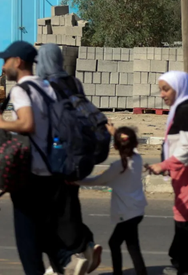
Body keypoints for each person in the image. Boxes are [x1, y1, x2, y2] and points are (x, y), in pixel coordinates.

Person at [0, 41, 87, 275]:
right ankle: (67, 257)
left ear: (18, 62)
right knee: (45, 232)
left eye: (6, 60)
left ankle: (66, 258)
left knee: (28, 246)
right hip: (53, 172)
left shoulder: (21, 90)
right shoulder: (48, 87)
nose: (4, 65)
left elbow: (27, 123)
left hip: (30, 175)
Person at [36, 43, 102, 275]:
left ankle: (67, 259)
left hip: (54, 158)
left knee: (50, 214)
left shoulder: (44, 86)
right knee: (70, 205)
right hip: (77, 157)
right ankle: (85, 247)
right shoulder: (74, 82)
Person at [147, 71, 188, 275]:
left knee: (186, 222)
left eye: (166, 89)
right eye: (160, 89)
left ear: (179, 88)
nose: (162, 95)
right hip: (187, 176)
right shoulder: (186, 107)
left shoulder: (186, 110)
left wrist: (164, 165)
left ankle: (186, 266)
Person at [76, 127, 148, 275]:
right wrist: (113, 131)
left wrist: (77, 181)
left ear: (115, 146)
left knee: (115, 243)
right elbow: (126, 142)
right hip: (137, 210)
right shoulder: (137, 159)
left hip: (127, 213)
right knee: (132, 245)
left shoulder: (118, 166)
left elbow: (98, 180)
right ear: (135, 144)